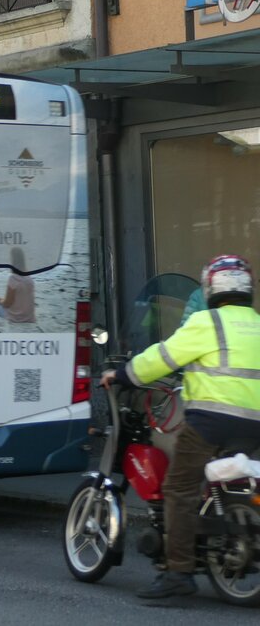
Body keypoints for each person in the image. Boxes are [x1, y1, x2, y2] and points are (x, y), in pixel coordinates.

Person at [100, 253, 260, 599]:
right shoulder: (258, 324)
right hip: (255, 427)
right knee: (220, 481)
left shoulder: (208, 322)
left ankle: (178, 573)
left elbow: (162, 357)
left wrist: (124, 374)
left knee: (180, 488)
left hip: (211, 423)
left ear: (211, 288)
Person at [0, 246, 36, 323]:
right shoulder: (29, 279)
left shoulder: (13, 279)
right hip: (29, 318)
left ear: (13, 261)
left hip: (16, 318)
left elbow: (7, 304)